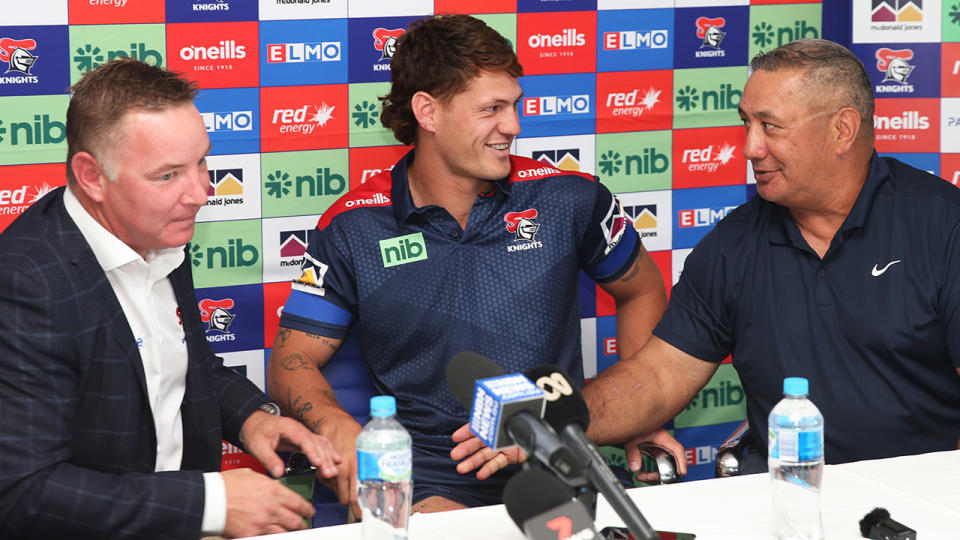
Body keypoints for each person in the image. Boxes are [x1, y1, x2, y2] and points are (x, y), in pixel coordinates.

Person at [457, 38, 960, 478]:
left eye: (770, 125)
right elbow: (657, 377)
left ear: (842, 130)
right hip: (787, 501)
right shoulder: (732, 245)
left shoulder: (942, 226)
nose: (749, 147)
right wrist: (551, 418)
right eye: (746, 122)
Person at [267, 14, 672, 517]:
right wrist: (335, 426)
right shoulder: (353, 227)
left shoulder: (570, 198)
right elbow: (293, 359)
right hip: (432, 477)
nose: (514, 126)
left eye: (515, 105)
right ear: (428, 112)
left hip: (558, 458)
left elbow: (643, 290)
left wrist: (641, 415)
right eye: (492, 109)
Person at [0, 58, 342, 539]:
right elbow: (22, 493)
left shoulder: (159, 233)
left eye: (202, 161)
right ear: (92, 176)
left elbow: (179, 364)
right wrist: (212, 503)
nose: (201, 192)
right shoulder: (23, 284)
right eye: (168, 175)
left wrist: (251, 420)